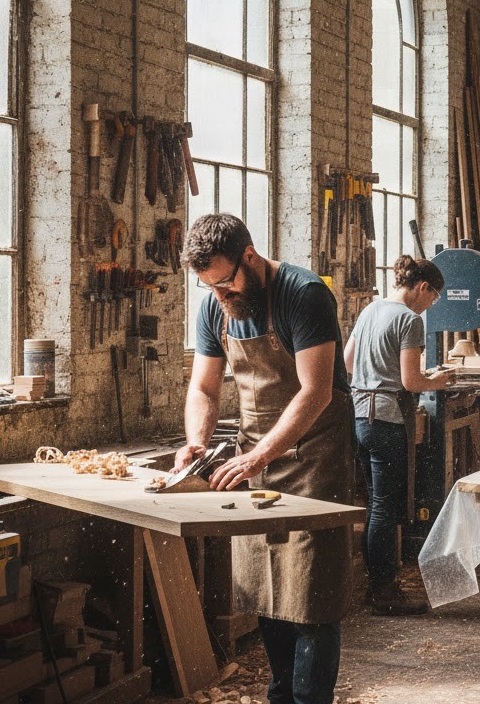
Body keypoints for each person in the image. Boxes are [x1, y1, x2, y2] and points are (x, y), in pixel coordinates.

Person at [175, 214, 355, 704]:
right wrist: (196, 441)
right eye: (208, 287)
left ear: (248, 257)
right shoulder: (216, 308)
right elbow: (205, 388)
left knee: (312, 593)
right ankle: (281, 695)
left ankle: (308, 699)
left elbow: (315, 392)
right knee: (267, 589)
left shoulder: (304, 293)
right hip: (257, 454)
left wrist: (257, 457)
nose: (220, 296)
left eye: (226, 282)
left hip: (316, 456)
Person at [343, 255, 451, 615]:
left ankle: (378, 587)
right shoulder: (409, 320)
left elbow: (346, 363)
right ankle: (384, 592)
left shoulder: (370, 310)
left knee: (376, 506)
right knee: (385, 510)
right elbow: (411, 382)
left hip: (360, 417)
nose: (429, 306)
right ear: (423, 288)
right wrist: (439, 379)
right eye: (433, 298)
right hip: (388, 420)